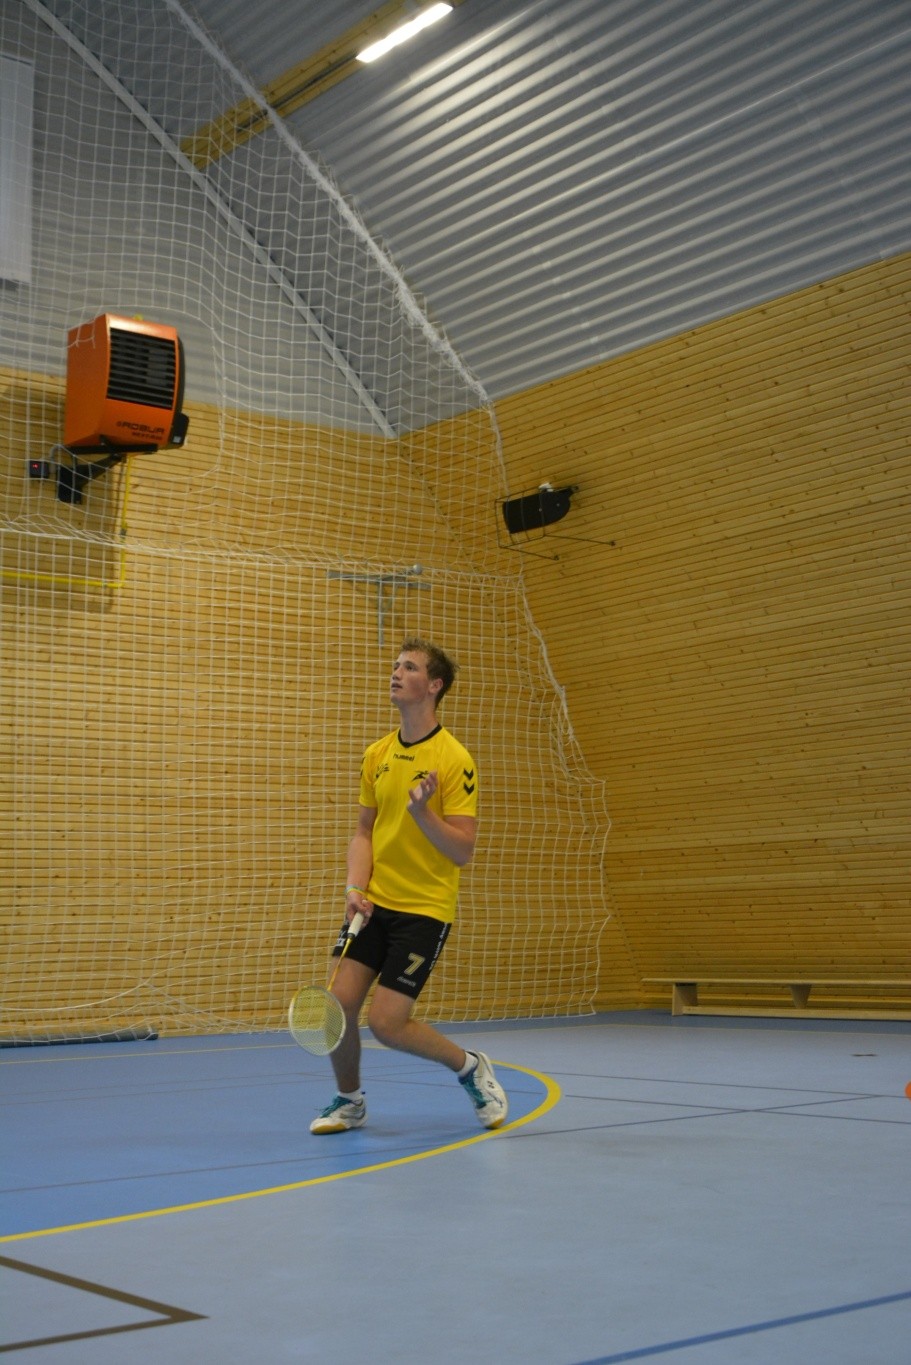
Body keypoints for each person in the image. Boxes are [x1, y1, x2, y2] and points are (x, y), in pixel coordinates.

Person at [310, 636, 508, 1134]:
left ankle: (469, 1067)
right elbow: (364, 832)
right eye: (396, 665)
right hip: (373, 904)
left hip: (424, 909)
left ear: (434, 685)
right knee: (336, 1007)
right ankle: (349, 1100)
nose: (396, 673)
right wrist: (353, 887)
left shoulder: (454, 759)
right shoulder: (376, 754)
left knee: (387, 1023)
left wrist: (423, 814)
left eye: (410, 667)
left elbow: (462, 850)